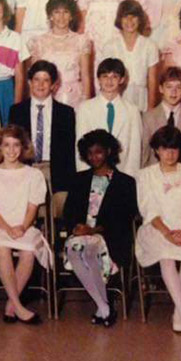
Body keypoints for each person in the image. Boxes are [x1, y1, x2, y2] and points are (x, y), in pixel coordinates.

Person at [135, 125, 181, 335]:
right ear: (156, 150)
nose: (170, 154)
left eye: (174, 149)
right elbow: (148, 208)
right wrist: (167, 232)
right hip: (156, 228)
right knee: (166, 254)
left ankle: (178, 314)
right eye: (165, 149)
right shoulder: (145, 175)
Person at [61, 129, 138, 326]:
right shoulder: (79, 180)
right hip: (81, 234)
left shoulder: (125, 183)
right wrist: (76, 227)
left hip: (109, 236)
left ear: (109, 151)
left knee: (88, 253)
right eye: (89, 153)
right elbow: (69, 212)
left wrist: (94, 230)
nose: (94, 157)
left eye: (99, 152)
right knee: (73, 249)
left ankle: (102, 308)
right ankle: (104, 306)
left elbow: (124, 217)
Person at [0, 125, 49, 324]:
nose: (11, 150)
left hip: (24, 225)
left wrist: (22, 227)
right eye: (6, 145)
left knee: (28, 251)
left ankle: (11, 305)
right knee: (2, 248)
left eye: (16, 145)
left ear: (23, 147)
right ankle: (18, 307)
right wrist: (8, 229)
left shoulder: (34, 175)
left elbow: (32, 207)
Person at [8, 60, 77, 196]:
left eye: (46, 80)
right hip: (26, 170)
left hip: (55, 171)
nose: (40, 85)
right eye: (36, 80)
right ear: (29, 82)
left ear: (53, 85)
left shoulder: (66, 113)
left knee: (58, 211)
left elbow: (69, 152)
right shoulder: (17, 111)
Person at [76, 58, 141, 176]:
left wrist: (130, 179)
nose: (109, 81)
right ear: (98, 80)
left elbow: (135, 151)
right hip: (93, 173)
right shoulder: (85, 108)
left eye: (114, 76)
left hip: (122, 173)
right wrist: (84, 178)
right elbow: (81, 148)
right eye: (105, 76)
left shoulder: (132, 110)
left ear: (122, 79)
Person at [26, 0, 92, 108]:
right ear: (50, 15)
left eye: (65, 12)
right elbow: (35, 78)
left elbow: (86, 76)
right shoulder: (38, 42)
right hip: (48, 96)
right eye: (57, 12)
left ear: (71, 15)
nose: (61, 17)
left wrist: (87, 105)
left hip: (74, 97)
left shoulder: (81, 41)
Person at [140, 66, 181, 180]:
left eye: (178, 87)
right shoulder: (148, 118)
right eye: (169, 87)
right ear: (161, 88)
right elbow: (144, 155)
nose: (173, 92)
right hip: (155, 180)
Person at [100, 0, 158, 111]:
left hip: (142, 101)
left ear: (140, 19)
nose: (130, 21)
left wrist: (151, 109)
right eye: (125, 17)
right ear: (119, 19)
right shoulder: (110, 46)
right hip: (118, 98)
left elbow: (152, 81)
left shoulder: (150, 46)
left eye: (134, 16)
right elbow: (105, 78)